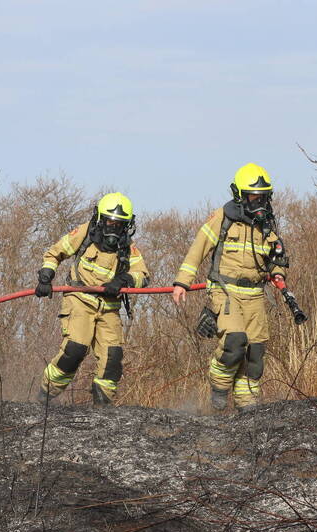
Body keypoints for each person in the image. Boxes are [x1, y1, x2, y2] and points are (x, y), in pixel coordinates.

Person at [172, 163, 290, 411]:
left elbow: (275, 259)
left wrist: (278, 274)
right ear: (240, 195)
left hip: (256, 294)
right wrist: (182, 282)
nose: (258, 201)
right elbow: (198, 249)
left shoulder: (267, 225)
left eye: (263, 196)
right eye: (253, 196)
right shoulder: (222, 218)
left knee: (255, 354)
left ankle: (247, 406)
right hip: (225, 291)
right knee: (235, 341)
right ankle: (219, 384)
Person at [34, 192, 149, 406]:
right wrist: (46, 275)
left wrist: (124, 279)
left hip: (109, 307)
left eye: (119, 224)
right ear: (100, 219)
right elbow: (54, 253)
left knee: (112, 359)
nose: (113, 227)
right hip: (79, 299)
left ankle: (102, 411)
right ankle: (45, 395)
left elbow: (143, 275)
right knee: (75, 349)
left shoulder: (127, 247)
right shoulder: (85, 233)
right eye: (109, 221)